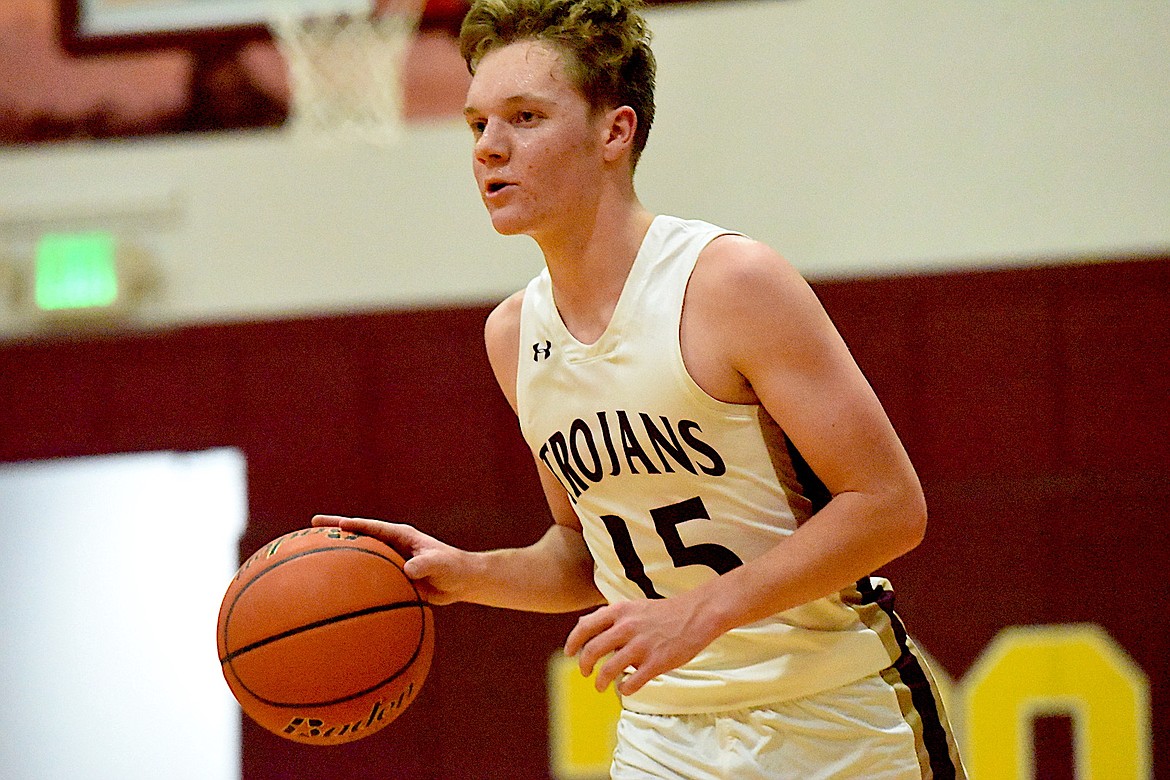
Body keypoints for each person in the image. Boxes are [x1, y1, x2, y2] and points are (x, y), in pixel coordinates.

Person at [315, 0, 965, 776]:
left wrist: (701, 612)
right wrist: (462, 572)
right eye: (477, 124)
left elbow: (889, 506)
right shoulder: (513, 335)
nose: (490, 148)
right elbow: (583, 558)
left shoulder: (730, 282)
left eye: (524, 117)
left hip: (836, 720)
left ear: (614, 133)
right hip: (666, 735)